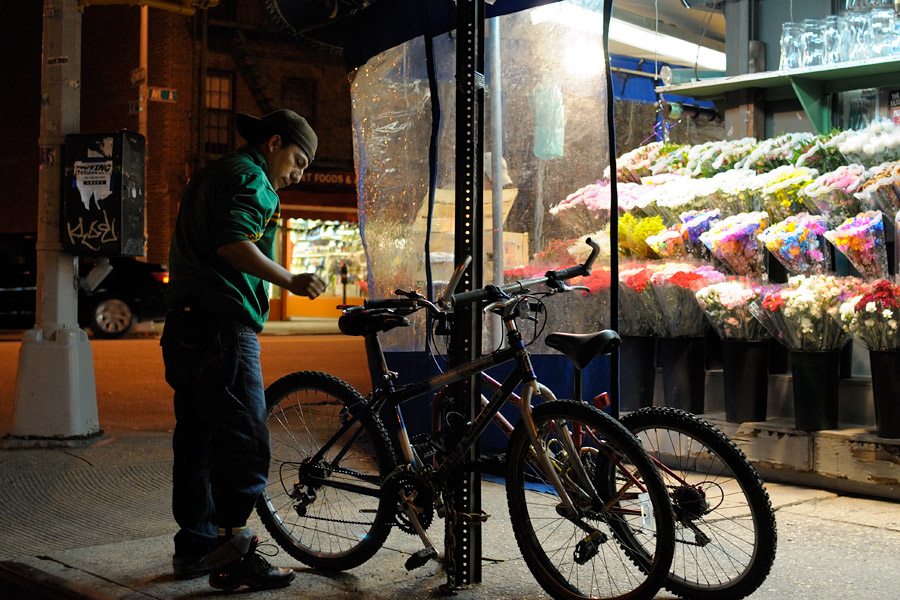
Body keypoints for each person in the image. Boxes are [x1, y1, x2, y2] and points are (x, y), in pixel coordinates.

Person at [161, 109, 326, 591]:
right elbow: (234, 243)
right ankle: (235, 555)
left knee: (197, 440)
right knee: (245, 441)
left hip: (184, 328)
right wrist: (290, 278)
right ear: (274, 143)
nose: (299, 173)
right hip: (222, 328)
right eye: (298, 160)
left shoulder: (210, 175)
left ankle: (196, 544)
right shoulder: (249, 177)